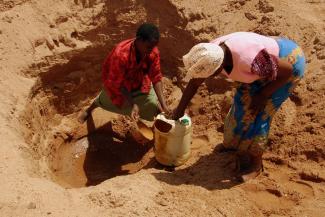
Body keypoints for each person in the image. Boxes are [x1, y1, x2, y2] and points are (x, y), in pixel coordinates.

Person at [172, 32, 305, 181]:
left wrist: (263, 94)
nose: (208, 78)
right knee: (241, 105)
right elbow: (195, 81)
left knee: (259, 113)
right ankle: (234, 145)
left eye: (211, 74)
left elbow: (287, 71)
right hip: (264, 63)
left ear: (219, 66)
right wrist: (179, 110)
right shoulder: (210, 53)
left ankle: (255, 164)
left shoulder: (250, 60)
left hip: (287, 63)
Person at [78, 23, 169, 124]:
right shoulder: (121, 54)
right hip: (117, 83)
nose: (152, 49)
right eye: (149, 46)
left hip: (139, 80)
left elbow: (156, 76)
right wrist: (132, 103)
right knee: (105, 100)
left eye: (153, 46)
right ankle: (90, 109)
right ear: (139, 40)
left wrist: (163, 104)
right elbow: (118, 83)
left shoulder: (152, 51)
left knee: (152, 103)